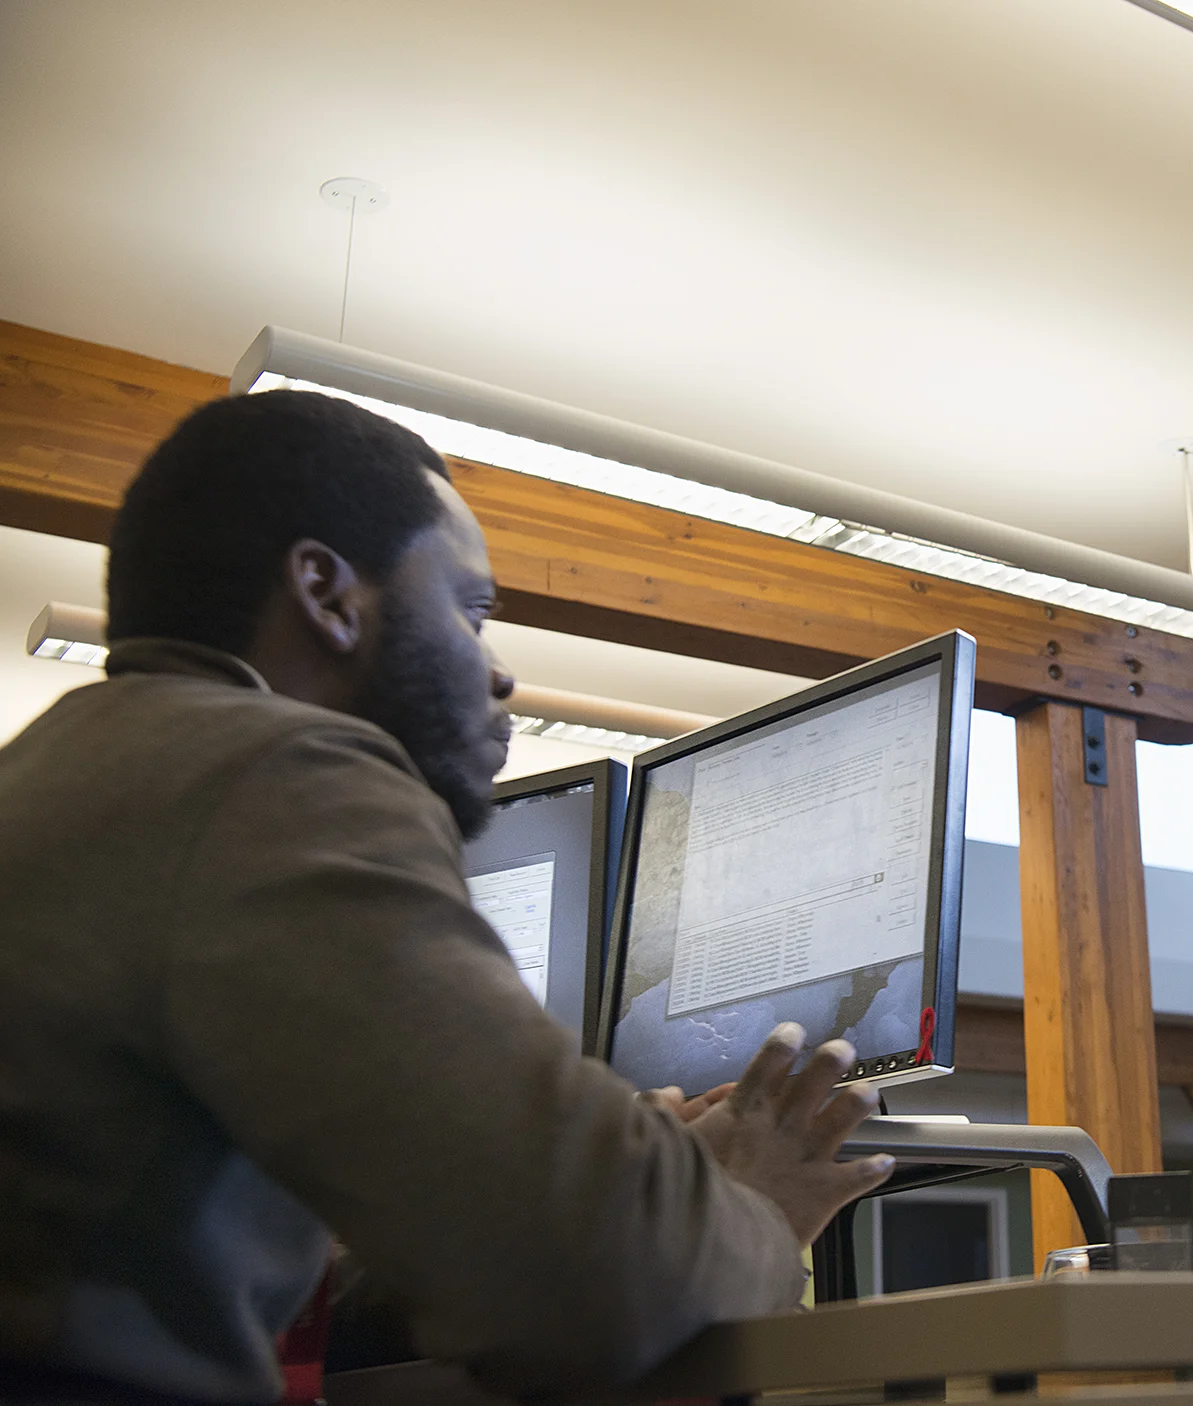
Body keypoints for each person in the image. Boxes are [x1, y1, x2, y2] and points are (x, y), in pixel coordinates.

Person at [0, 391, 895, 1404]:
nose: (501, 671)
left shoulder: (69, 771)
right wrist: (752, 1215)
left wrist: (657, 1191)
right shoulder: (278, 775)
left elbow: (223, 1272)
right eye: (470, 611)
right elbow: (602, 1294)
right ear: (328, 595)